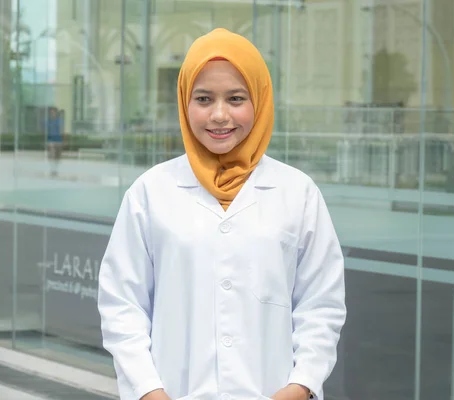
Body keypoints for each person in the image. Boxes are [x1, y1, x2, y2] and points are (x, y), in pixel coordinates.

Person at [97, 28, 346, 400]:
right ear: (184, 103)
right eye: (203, 98)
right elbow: (122, 305)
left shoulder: (298, 193)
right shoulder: (149, 193)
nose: (219, 115)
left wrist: (301, 385)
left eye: (235, 98)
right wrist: (149, 391)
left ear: (259, 100)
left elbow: (320, 304)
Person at [46, 107, 63, 177]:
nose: (52, 114)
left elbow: (61, 130)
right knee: (51, 155)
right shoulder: (48, 121)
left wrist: (62, 141)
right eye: (51, 112)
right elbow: (47, 131)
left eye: (53, 112)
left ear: (56, 113)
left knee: (57, 156)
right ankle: (52, 169)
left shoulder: (59, 120)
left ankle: (55, 169)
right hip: (51, 140)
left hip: (58, 140)